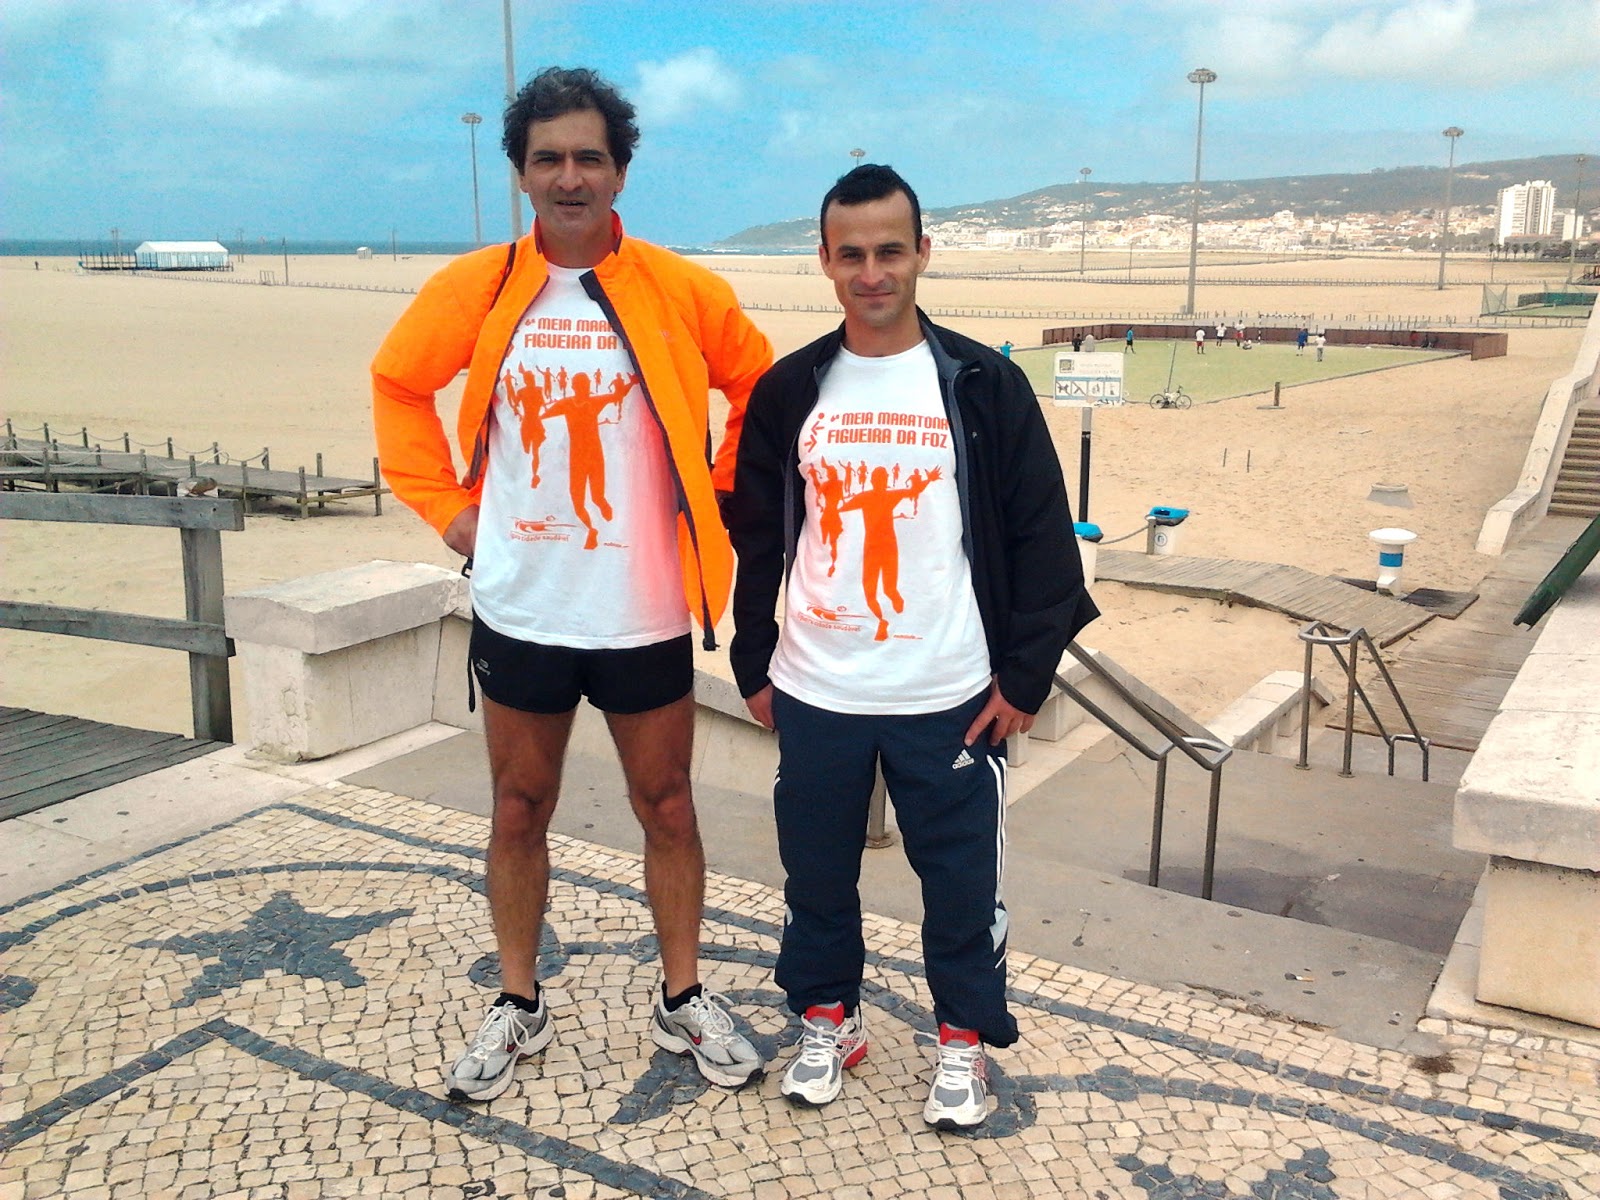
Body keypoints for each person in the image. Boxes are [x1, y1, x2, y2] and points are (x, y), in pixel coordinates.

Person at [371, 66, 774, 1104]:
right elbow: (399, 383)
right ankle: (519, 1001)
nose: (569, 177)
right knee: (518, 806)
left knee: (668, 805)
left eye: (588, 157)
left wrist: (718, 497)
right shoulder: (479, 288)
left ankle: (683, 995)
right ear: (520, 173)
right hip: (524, 604)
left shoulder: (681, 289)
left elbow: (760, 385)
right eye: (547, 158)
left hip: (643, 607)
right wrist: (449, 511)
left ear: (620, 171)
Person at [725, 165, 1098, 1129]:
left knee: (963, 887)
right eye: (851, 254)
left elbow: (1043, 537)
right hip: (819, 687)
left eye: (890, 251)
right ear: (824, 261)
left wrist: (1025, 678)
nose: (872, 273)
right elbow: (759, 537)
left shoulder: (981, 383)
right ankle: (828, 1019)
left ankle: (963, 1039)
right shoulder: (790, 388)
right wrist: (754, 662)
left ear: (923, 253)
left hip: (949, 692)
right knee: (816, 878)